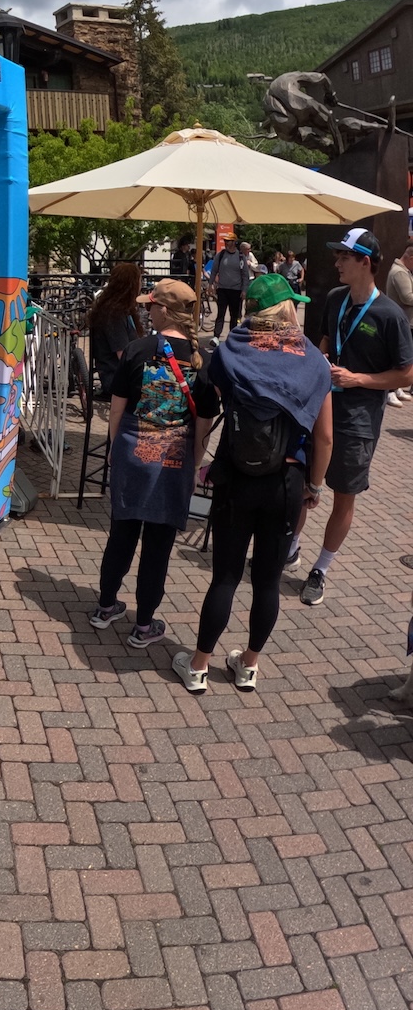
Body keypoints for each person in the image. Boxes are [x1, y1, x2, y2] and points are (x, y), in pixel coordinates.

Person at [172, 274, 332, 693]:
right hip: (287, 481)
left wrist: (197, 461)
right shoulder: (313, 361)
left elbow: (209, 400)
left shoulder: (230, 352)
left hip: (235, 476)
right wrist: (314, 487)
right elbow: (325, 436)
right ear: (286, 310)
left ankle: (199, 665)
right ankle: (248, 664)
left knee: (224, 576)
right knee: (266, 580)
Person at [291, 229, 413, 604]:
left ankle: (321, 569)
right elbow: (327, 339)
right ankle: (290, 546)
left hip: (359, 418)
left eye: (344, 256)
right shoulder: (334, 298)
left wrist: (359, 378)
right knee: (300, 485)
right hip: (320, 407)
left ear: (365, 262)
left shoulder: (390, 315)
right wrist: (323, 359)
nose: (336, 262)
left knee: (344, 495)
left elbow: (407, 374)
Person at [89, 278, 203, 649]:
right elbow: (202, 426)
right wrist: (193, 463)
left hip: (133, 451)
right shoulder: (204, 360)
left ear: (164, 311)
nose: (145, 310)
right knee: (158, 546)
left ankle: (106, 606)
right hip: (173, 460)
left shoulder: (138, 350)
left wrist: (114, 448)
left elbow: (117, 407)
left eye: (150, 306)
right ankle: (143, 624)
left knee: (122, 534)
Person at [86, 263, 141, 397]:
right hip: (117, 380)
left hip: (123, 374)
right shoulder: (113, 315)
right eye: (140, 280)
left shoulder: (120, 309)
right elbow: (123, 356)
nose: (142, 284)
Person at [384, 243, 413, 407]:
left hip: (405, 320)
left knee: (402, 357)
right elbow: (407, 297)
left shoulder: (404, 271)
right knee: (397, 357)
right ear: (410, 258)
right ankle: (390, 390)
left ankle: (396, 388)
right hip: (402, 321)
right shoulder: (400, 272)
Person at [211, 239, 254, 338]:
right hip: (222, 289)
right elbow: (214, 270)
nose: (226, 243)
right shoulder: (220, 255)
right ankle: (216, 336)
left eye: (229, 241)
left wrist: (244, 290)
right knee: (220, 313)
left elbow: (245, 275)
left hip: (236, 290)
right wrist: (210, 284)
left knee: (234, 315)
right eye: (225, 241)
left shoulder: (240, 257)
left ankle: (232, 336)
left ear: (234, 242)